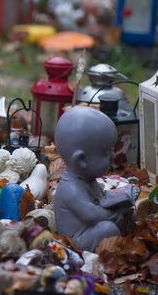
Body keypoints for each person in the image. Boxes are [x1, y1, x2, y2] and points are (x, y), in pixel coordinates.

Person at [53, 106, 136, 252]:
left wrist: (121, 200)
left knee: (129, 215)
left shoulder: (87, 179)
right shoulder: (71, 189)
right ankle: (115, 253)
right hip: (77, 241)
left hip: (91, 229)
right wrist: (115, 212)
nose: (113, 156)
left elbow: (101, 201)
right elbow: (93, 216)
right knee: (107, 228)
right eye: (106, 152)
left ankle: (129, 243)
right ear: (81, 160)